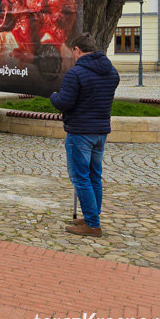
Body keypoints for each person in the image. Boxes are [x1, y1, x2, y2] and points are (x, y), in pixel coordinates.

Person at [49, 33, 119, 238]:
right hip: (100, 132)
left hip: (80, 133)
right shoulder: (111, 72)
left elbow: (65, 103)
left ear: (78, 50)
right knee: (94, 175)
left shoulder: (76, 73)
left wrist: (53, 96)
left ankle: (92, 224)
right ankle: (91, 216)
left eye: (72, 52)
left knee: (80, 178)